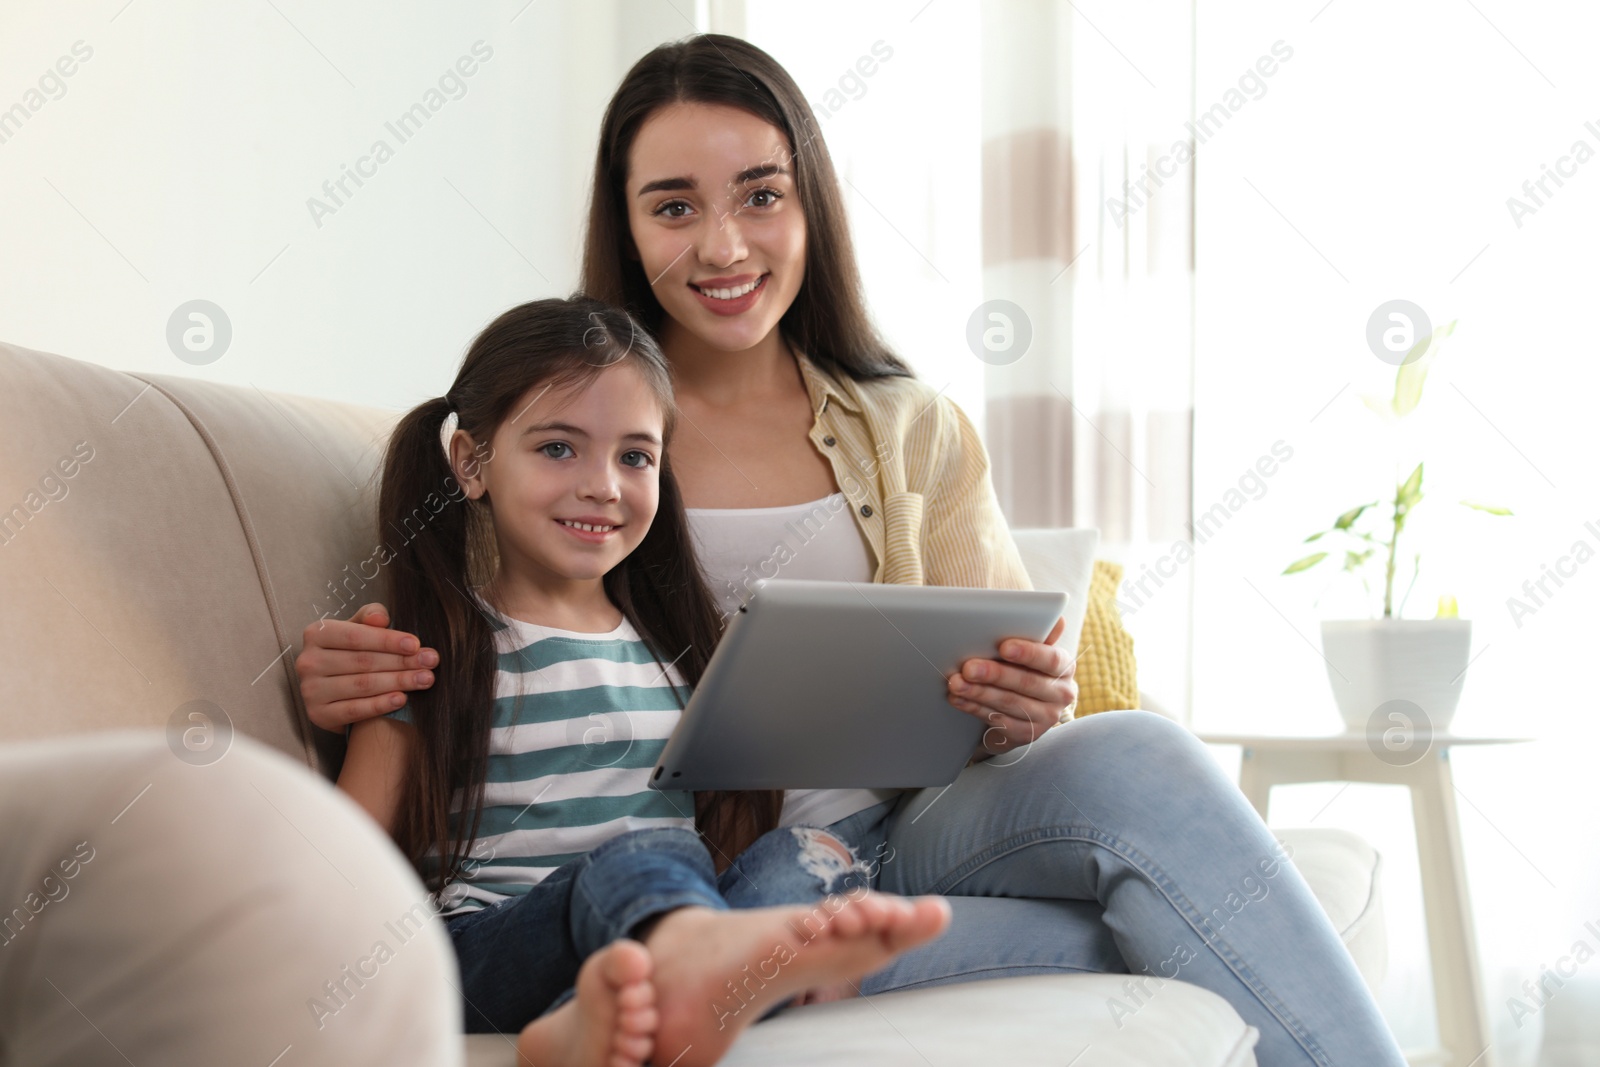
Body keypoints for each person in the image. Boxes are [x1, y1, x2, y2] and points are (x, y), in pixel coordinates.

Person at [297, 34, 1409, 1066]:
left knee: (1143, 756)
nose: (724, 245)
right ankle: (715, 959)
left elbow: (1013, 698)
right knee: (1149, 911)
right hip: (708, 876)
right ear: (626, 225)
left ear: (808, 205)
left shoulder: (909, 424)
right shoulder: (586, 428)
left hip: (898, 836)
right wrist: (338, 673)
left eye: (761, 196)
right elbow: (442, 613)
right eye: (674, 205)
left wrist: (1024, 702)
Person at [332, 294, 950, 1067]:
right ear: (472, 464)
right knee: (644, 857)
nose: (604, 484)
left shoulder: (679, 654)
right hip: (489, 952)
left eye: (635, 455)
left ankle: (617, 1015)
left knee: (802, 853)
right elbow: (340, 860)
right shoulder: (432, 649)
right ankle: (679, 976)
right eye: (558, 449)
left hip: (653, 931)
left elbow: (723, 837)